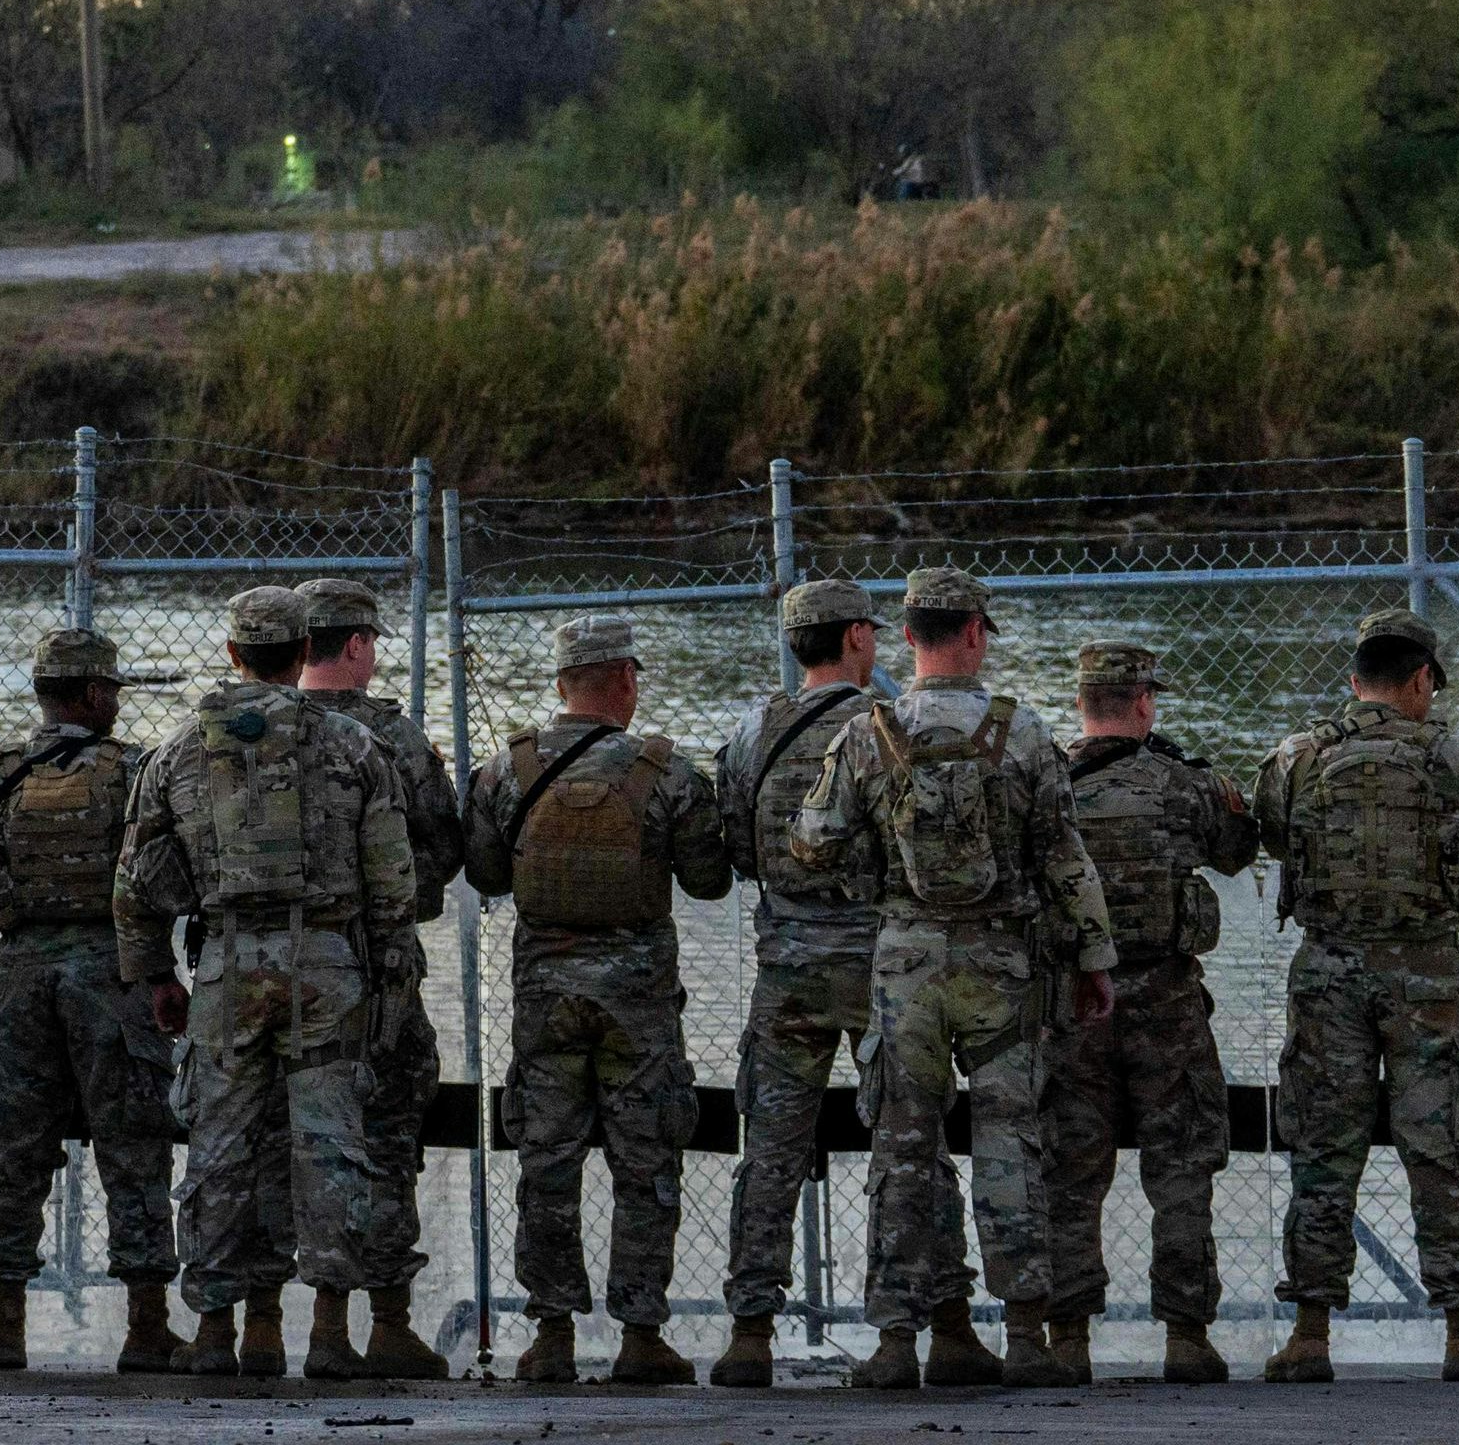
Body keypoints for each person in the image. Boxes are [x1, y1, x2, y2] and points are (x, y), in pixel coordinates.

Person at [787, 565, 1114, 1390]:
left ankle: (898, 1340)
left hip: (905, 968)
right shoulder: (1026, 733)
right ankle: (1029, 1337)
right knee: (1011, 1141)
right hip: (1003, 966)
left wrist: (875, 859)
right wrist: (1094, 958)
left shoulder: (870, 733)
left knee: (903, 1149)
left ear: (907, 636)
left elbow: (813, 841)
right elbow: (1064, 857)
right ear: (974, 634)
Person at [113, 587, 415, 1382]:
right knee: (330, 1148)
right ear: (302, 649)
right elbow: (393, 885)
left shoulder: (179, 751)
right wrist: (387, 976)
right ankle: (327, 1331)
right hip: (326, 965)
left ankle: (219, 1331)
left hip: (226, 966)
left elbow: (136, 885)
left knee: (219, 1150)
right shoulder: (354, 746)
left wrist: (156, 974)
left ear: (232, 654)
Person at [1253, 606, 1459, 1385]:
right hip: (1429, 977)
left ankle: (1309, 1334)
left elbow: (1274, 840)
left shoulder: (1297, 758)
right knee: (1440, 1148)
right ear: (1420, 680)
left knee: (1322, 1153)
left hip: (1328, 975)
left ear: (1355, 682)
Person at [462, 614, 732, 1386]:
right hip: (638, 1004)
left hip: (544, 996)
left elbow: (483, 875)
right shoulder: (668, 772)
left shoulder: (502, 771)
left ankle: (549, 1334)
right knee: (644, 1162)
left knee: (547, 1159)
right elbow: (710, 878)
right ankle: (641, 1332)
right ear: (623, 680)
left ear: (560, 685)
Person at [0, 627, 183, 1375]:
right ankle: (147, 1329)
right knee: (133, 1146)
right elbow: (155, 872)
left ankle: (4, 1330)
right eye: (112, 689)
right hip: (110, 968)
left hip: (20, 971)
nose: (116, 700)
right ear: (91, 694)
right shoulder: (136, 771)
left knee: (15, 1149)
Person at [1038, 640, 1255, 1383]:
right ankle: (1187, 1337)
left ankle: (1066, 1341)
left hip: (1073, 1001)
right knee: (1184, 1164)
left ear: (1081, 705)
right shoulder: (1182, 784)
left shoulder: (1049, 785)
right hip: (1165, 997)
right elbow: (1236, 849)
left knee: (1069, 1169)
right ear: (1143, 703)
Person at [711, 579, 885, 1388]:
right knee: (904, 1142)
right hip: (879, 960)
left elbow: (738, 847)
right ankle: (921, 1325)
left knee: (770, 1148)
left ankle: (749, 1329)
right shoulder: (888, 725)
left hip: (786, 961)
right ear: (856, 637)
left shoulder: (754, 731)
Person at [294, 576, 463, 1380]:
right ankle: (388, 1320)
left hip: (273, 966)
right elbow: (443, 851)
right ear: (356, 645)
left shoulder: (259, 731)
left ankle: (266, 1325)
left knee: (274, 1136)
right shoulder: (394, 741)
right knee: (390, 1131)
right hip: (380, 965)